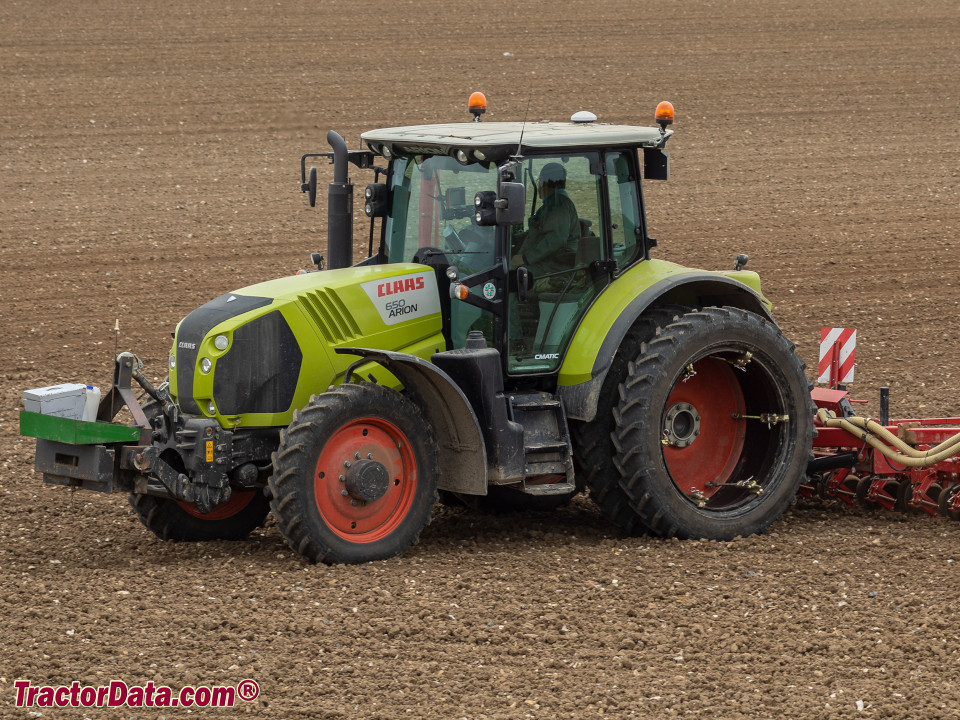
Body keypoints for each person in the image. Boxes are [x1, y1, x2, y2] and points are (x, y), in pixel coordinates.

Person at [510, 162, 580, 279]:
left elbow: (556, 239)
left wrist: (525, 258)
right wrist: (516, 238)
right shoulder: (551, 205)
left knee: (513, 277)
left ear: (544, 181)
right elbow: (539, 233)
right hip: (546, 261)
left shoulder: (558, 205)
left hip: (555, 265)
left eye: (540, 182)